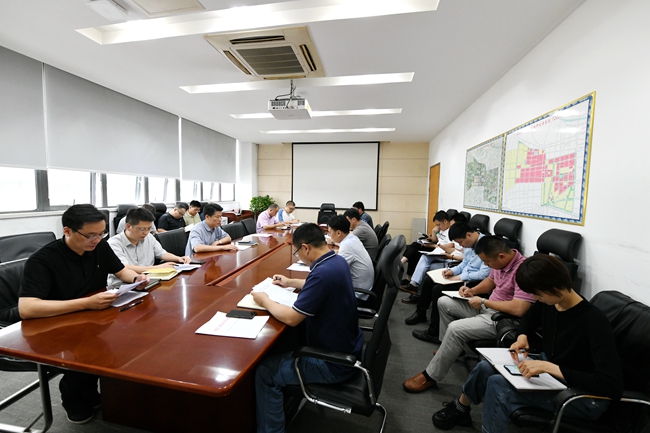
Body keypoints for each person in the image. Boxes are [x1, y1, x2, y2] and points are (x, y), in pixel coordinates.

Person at [431, 254, 623, 432]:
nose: (536, 299)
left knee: (498, 385)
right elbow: (529, 318)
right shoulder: (553, 302)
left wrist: (549, 367)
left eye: (538, 295)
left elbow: (610, 385)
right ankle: (461, 409)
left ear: (555, 288)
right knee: (485, 367)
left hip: (582, 396)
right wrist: (522, 336)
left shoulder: (593, 321)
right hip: (553, 375)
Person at [18, 204, 147, 424]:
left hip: (92, 315)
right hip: (56, 323)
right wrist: (85, 303)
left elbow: (121, 271)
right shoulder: (43, 260)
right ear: (67, 231)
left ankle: (92, 391)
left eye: (101, 233)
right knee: (89, 347)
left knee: (124, 340)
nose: (96, 240)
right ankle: (73, 397)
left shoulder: (100, 247)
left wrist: (136, 279)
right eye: (90, 235)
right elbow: (27, 308)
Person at [252, 223, 363, 433]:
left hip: (333, 363)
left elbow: (292, 318)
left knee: (265, 372)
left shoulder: (322, 273)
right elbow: (317, 286)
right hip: (348, 347)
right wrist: (290, 282)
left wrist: (264, 299)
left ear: (305, 248)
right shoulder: (335, 261)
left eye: (297, 252)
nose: (299, 256)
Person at [403, 235, 534, 393]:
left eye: (487, 262)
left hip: (503, 318)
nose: (485, 265)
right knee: (444, 302)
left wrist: (484, 302)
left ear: (501, 256)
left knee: (455, 328)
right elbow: (491, 281)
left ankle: (431, 376)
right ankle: (451, 348)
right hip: (488, 307)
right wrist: (472, 290)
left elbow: (519, 309)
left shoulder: (524, 270)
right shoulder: (500, 261)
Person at [404, 222, 489, 335]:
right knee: (429, 280)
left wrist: (460, 277)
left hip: (474, 283)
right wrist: (452, 271)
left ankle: (434, 332)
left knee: (437, 289)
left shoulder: (487, 245)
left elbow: (484, 274)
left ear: (468, 235)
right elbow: (464, 264)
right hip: (463, 277)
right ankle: (420, 313)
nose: (461, 246)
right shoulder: (470, 244)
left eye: (461, 242)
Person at [108, 207, 190, 286]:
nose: (146, 232)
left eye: (149, 229)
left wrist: (178, 258)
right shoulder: (114, 243)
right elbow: (123, 268)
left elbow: (162, 253)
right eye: (142, 229)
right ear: (128, 227)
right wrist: (158, 268)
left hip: (148, 280)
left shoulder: (149, 237)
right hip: (122, 284)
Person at [400, 211, 463, 298]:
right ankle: (414, 285)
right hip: (441, 251)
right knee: (420, 253)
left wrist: (439, 248)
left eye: (438, 225)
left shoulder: (454, 234)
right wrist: (434, 234)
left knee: (421, 257)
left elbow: (452, 247)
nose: (438, 227)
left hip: (448, 257)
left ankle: (414, 286)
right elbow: (439, 241)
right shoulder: (443, 231)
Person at [327, 215, 374, 297]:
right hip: (362, 287)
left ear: (338, 233)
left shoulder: (347, 245)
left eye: (330, 233)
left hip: (357, 294)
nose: (329, 235)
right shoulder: (352, 238)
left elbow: (334, 271)